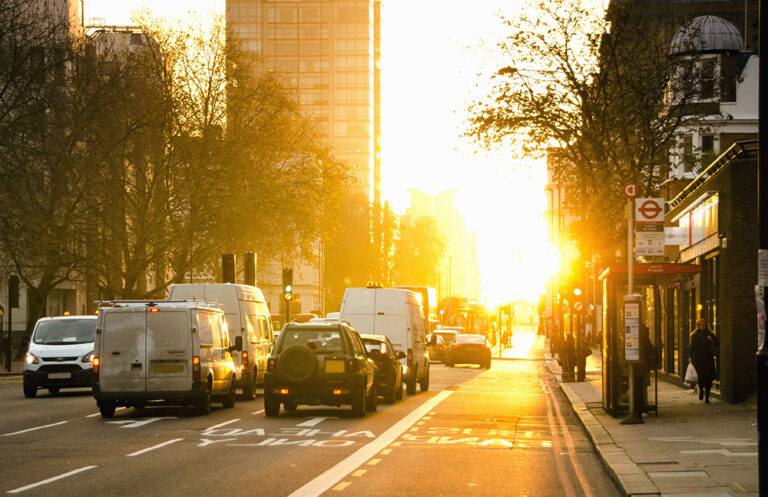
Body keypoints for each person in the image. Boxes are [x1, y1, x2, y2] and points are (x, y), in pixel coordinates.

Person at [689, 318, 719, 403]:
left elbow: (717, 344)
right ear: (698, 326)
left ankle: (707, 397)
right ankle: (701, 389)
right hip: (698, 358)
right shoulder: (695, 335)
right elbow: (692, 347)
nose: (702, 326)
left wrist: (711, 340)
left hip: (708, 358)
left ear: (706, 326)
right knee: (700, 375)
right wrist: (690, 356)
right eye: (700, 325)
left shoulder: (710, 334)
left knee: (708, 376)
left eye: (703, 325)